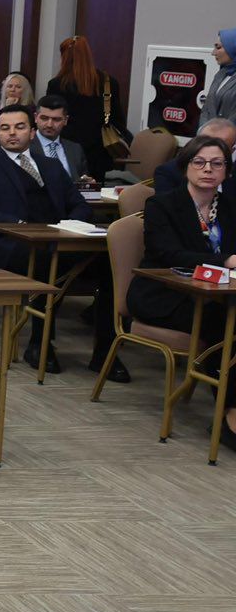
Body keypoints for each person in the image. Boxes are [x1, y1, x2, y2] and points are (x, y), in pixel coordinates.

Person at [0, 104, 110, 373]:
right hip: (12, 245)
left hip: (58, 240)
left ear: (32, 132)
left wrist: (70, 224)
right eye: (5, 129)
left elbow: (80, 204)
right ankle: (40, 343)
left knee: (110, 264)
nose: (12, 134)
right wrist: (15, 223)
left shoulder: (51, 166)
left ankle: (105, 353)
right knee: (48, 263)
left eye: (19, 127)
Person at [129, 134, 236, 428]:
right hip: (163, 293)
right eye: (199, 162)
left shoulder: (230, 207)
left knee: (227, 316)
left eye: (217, 163)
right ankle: (229, 413)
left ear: (227, 171)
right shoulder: (161, 205)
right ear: (185, 166)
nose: (208, 169)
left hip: (219, 292)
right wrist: (225, 260)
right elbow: (169, 253)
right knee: (224, 322)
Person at [45, 34, 130, 174]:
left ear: (64, 57)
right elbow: (118, 120)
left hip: (66, 148)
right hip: (100, 151)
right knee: (95, 192)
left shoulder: (57, 85)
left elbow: (51, 118)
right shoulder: (109, 82)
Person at [31, 95, 91, 183]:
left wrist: (88, 185)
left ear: (65, 120)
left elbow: (83, 180)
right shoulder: (24, 147)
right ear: (36, 118)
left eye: (56, 119)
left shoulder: (75, 149)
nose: (49, 124)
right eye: (44, 118)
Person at [206, 30, 236, 124]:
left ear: (233, 48)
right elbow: (206, 108)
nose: (213, 53)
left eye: (218, 47)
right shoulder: (220, 74)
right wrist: (203, 131)